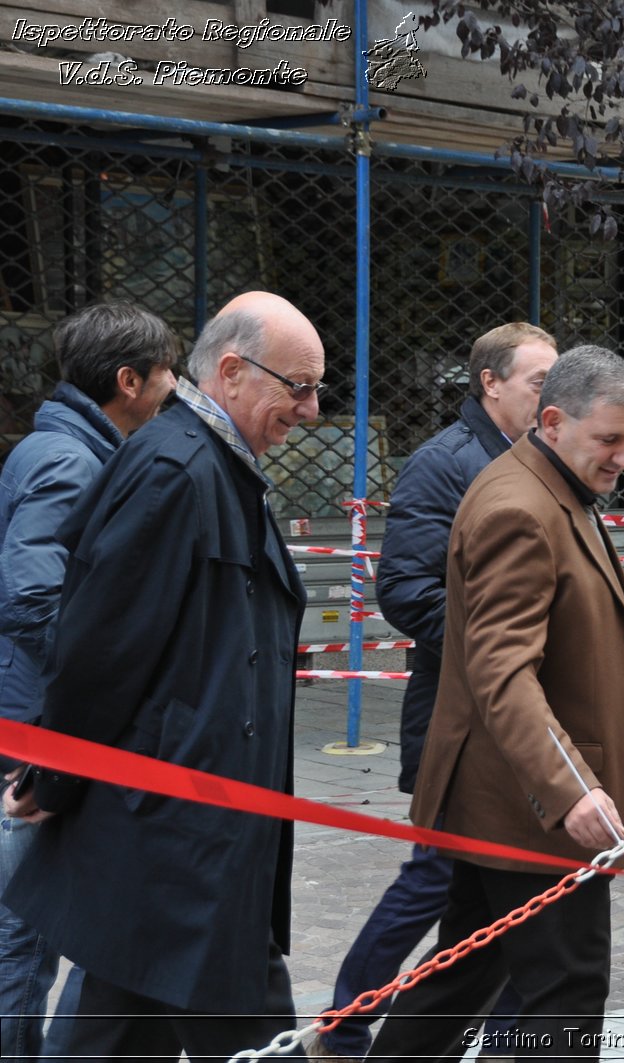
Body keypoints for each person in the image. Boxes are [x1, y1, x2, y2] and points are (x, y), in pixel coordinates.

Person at [1, 291, 322, 1059]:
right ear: (235, 371)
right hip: (182, 828)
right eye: (299, 386)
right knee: (239, 1024)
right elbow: (101, 643)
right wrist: (56, 773)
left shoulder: (214, 463)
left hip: (192, 829)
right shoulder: (175, 467)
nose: (311, 409)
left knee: (117, 1024)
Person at [367, 345, 624, 1062]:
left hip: (515, 796)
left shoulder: (551, 486)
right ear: (553, 421)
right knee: (567, 988)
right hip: (532, 806)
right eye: (609, 440)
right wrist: (572, 786)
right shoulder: (519, 507)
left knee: (463, 972)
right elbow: (500, 670)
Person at [316, 322, 558, 1060]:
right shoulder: (445, 464)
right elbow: (405, 590)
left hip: (526, 723)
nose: (554, 399)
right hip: (460, 724)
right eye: (539, 383)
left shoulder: (544, 462)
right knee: (436, 881)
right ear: (489, 382)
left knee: (521, 900)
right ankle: (346, 1024)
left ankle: (480, 1039)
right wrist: (510, 641)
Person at [0, 303, 179, 1061]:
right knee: (24, 932)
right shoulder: (71, 460)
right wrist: (106, 668)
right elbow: (29, 594)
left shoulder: (69, 447)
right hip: (39, 723)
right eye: (167, 370)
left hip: (42, 715)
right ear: (129, 380)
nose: (176, 385)